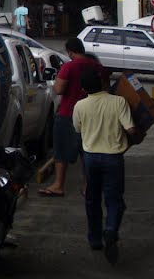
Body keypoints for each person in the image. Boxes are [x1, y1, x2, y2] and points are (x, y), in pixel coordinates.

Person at [73, 67, 137, 263]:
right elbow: (132, 130)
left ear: (84, 88)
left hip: (91, 158)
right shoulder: (118, 102)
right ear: (102, 83)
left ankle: (94, 239)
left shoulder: (80, 106)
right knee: (114, 200)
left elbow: (78, 129)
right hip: (113, 159)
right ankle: (110, 230)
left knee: (92, 199)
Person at [39, 37, 109, 198]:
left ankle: (58, 185)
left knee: (61, 150)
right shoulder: (98, 68)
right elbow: (106, 91)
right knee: (88, 151)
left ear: (70, 52)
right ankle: (87, 186)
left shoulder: (69, 67)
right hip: (93, 116)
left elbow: (59, 89)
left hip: (68, 114)